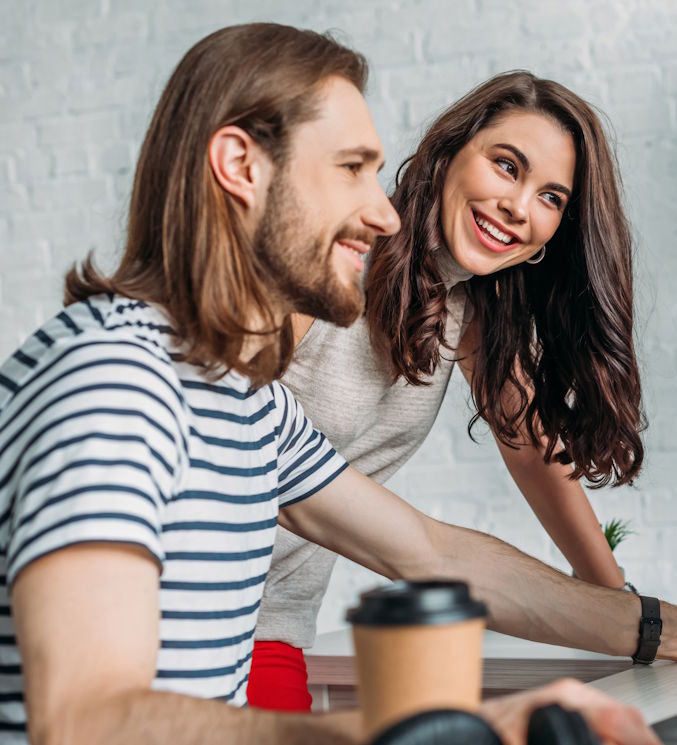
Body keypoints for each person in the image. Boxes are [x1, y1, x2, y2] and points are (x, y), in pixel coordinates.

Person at [0, 22, 677, 745]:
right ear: (240, 166)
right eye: (351, 171)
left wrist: (667, 624)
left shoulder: (249, 405)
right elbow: (85, 719)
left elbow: (434, 552)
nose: (382, 214)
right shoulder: (115, 379)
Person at [250, 71, 652, 711]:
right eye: (505, 166)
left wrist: (631, 621)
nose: (519, 206)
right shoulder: (333, 258)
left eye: (551, 197)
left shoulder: (468, 308)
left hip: (272, 626)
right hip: (177, 611)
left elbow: (535, 454)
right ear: (447, 154)